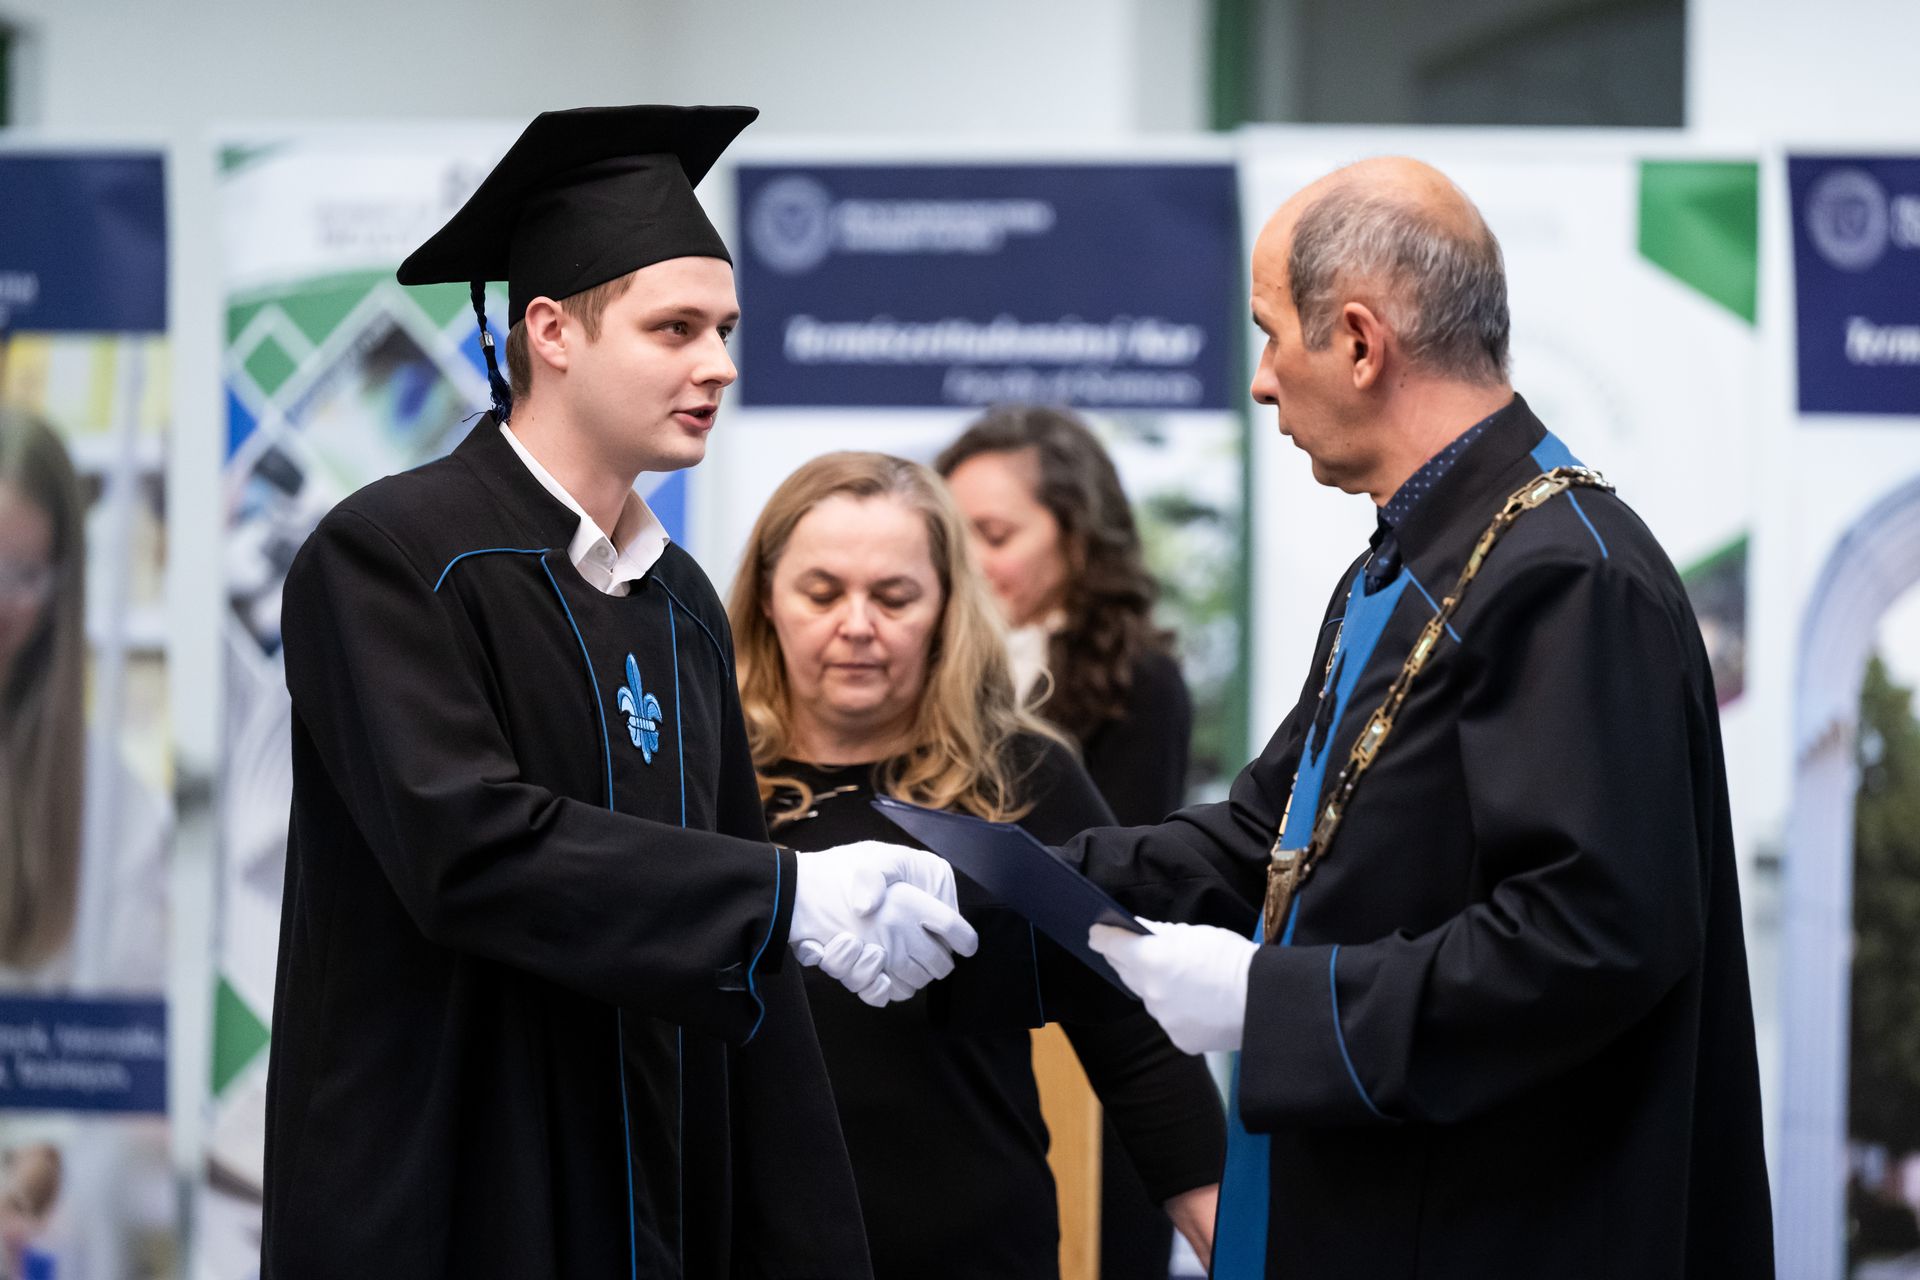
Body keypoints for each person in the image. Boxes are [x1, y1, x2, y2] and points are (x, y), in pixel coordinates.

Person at [262, 105, 975, 1280]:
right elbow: (469, 848)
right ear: (551, 331)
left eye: (725, 328)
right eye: (676, 328)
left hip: (649, 1193)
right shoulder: (390, 556)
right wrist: (784, 895)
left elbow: (738, 911)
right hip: (448, 1191)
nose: (720, 364)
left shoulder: (679, 598)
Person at [1057, 157, 1774, 1277]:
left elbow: (1591, 939)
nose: (1262, 381)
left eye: (1270, 336)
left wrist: (1271, 1001)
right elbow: (1265, 840)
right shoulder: (1411, 558)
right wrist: (1016, 886)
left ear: (1359, 342)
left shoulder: (1569, 576)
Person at [726, 451, 1223, 1279]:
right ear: (767, 599)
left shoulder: (1020, 775)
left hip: (974, 1243)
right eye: (822, 593)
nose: (857, 624)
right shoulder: (705, 775)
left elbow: (1130, 1016)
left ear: (947, 607)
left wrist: (1220, 1223)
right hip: (749, 1243)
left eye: (894, 597)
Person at [937, 408, 1203, 1279]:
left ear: (1078, 540)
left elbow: (1112, 888)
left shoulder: (1138, 682)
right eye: (953, 536)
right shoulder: (916, 678)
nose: (970, 561)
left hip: (1090, 1061)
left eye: (996, 535)